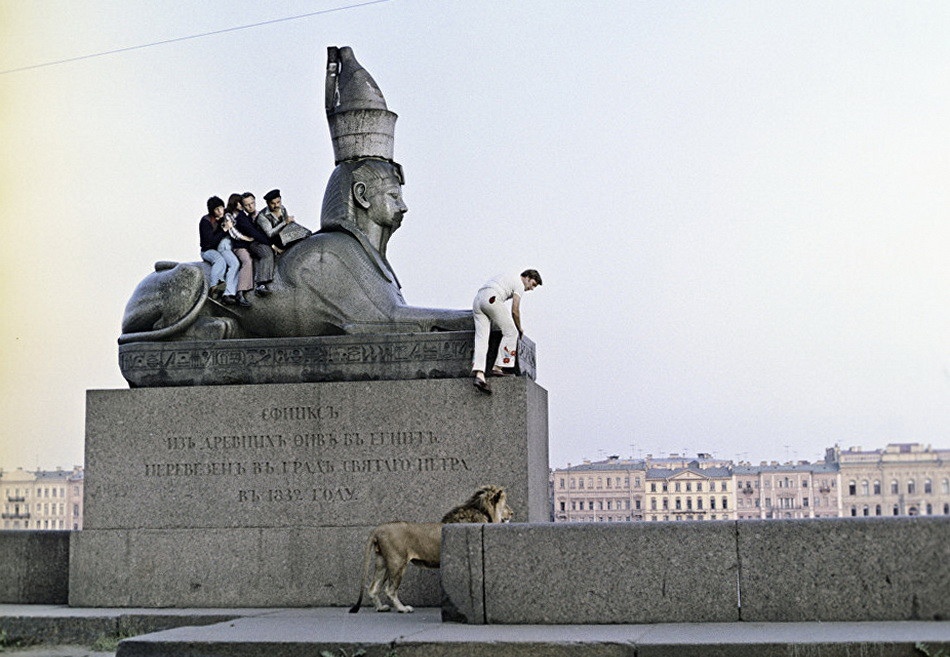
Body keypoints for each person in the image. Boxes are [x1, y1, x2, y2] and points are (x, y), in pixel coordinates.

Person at [471, 269, 542, 394]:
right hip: (492, 298)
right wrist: (519, 327)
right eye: (533, 284)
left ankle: (479, 374)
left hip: (478, 299)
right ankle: (498, 367)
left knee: (481, 338)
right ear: (527, 277)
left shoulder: (508, 276)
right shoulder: (519, 283)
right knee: (511, 332)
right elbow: (515, 310)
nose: (531, 288)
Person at [198, 196, 240, 305]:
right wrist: (224, 229)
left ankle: (227, 290)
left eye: (221, 207)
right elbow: (209, 242)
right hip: (207, 250)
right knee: (219, 260)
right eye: (217, 209)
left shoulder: (225, 216)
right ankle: (214, 286)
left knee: (231, 262)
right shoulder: (206, 221)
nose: (220, 211)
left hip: (219, 248)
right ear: (212, 211)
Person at [234, 192, 275, 296]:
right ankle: (261, 285)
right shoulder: (241, 218)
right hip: (250, 244)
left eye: (252, 203)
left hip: (259, 240)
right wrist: (272, 245)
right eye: (247, 205)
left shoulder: (258, 214)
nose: (251, 206)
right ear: (242, 206)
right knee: (266, 253)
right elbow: (254, 234)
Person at [223, 193, 255, 307]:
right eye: (239, 202)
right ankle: (240, 293)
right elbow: (233, 233)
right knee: (246, 261)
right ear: (234, 203)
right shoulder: (228, 215)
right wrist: (247, 238)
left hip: (245, 244)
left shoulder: (242, 214)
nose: (242, 205)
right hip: (234, 245)